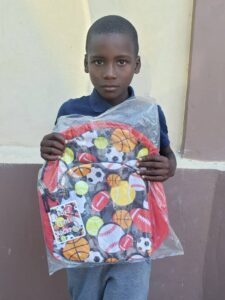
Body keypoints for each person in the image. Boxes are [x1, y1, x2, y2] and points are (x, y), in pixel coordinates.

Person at [40, 15, 176, 300]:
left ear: (136, 65)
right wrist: (47, 148)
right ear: (86, 63)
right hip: (82, 235)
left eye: (121, 61)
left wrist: (167, 166)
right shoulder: (70, 111)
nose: (110, 72)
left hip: (135, 235)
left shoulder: (148, 114)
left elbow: (167, 157)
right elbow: (56, 170)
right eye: (99, 61)